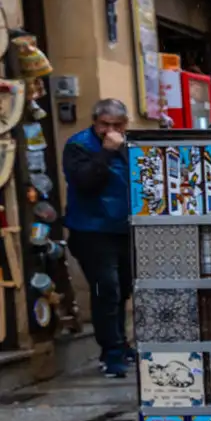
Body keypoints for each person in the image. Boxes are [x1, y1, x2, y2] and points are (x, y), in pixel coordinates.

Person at [63, 99, 133, 376]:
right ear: (95, 123)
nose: (110, 130)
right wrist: (106, 152)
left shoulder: (131, 144)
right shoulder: (78, 145)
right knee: (107, 288)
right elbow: (86, 182)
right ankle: (111, 352)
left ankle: (121, 342)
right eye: (105, 125)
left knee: (124, 288)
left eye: (117, 125)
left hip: (124, 227)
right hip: (91, 229)